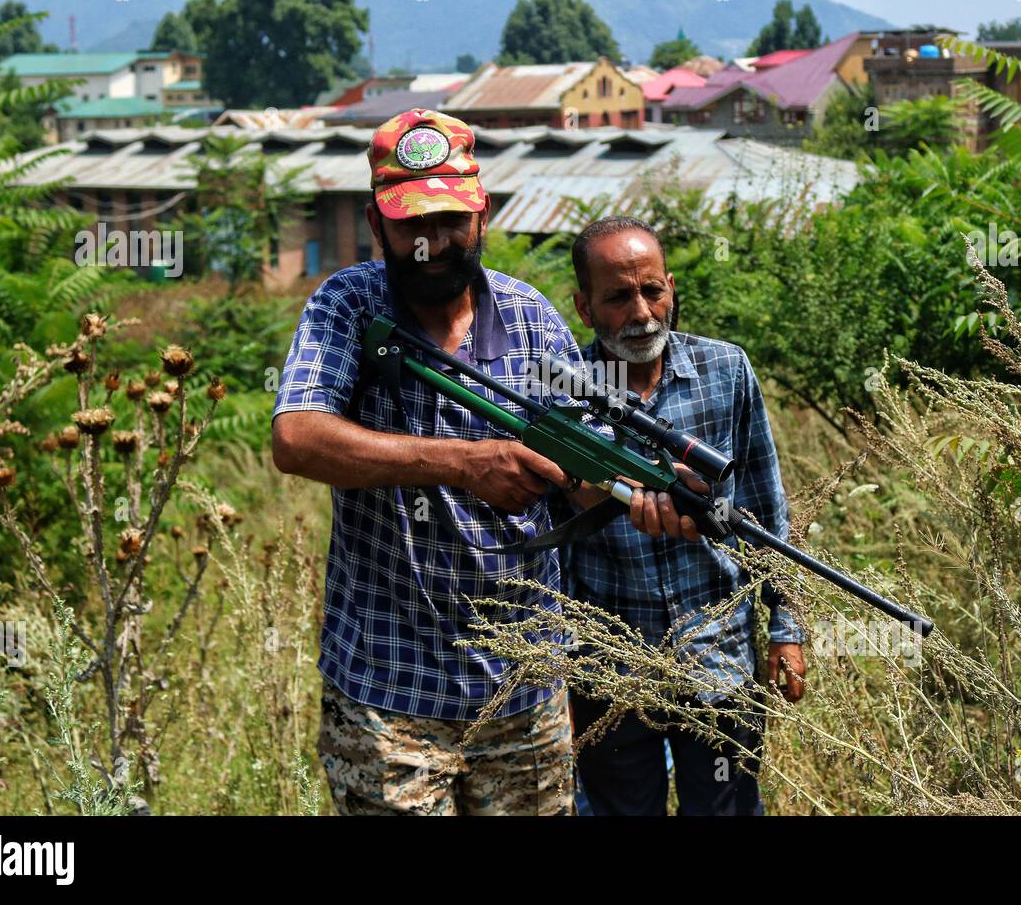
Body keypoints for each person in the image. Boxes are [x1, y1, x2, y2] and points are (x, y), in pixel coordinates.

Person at [271, 111, 698, 816]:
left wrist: (642, 498)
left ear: (483, 214)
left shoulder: (534, 320)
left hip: (522, 690)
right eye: (410, 225)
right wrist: (464, 463)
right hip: (387, 690)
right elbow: (298, 437)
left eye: (449, 219)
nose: (431, 243)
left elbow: (584, 476)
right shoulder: (345, 307)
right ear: (377, 226)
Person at [555, 216, 807, 816]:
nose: (641, 312)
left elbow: (768, 511)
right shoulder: (563, 387)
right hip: (611, 673)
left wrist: (785, 629)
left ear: (671, 287)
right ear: (584, 308)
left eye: (653, 291)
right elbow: (551, 546)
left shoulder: (726, 369)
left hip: (718, 662)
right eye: (617, 297)